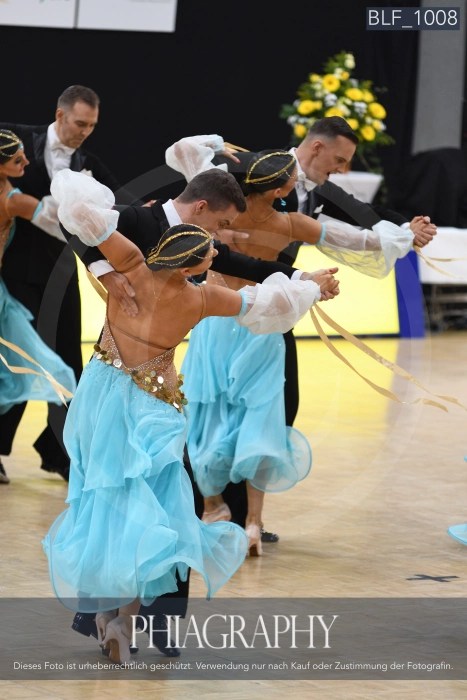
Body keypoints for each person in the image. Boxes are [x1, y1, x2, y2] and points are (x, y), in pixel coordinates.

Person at [43, 168, 334, 664]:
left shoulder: (131, 266)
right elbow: (267, 303)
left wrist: (106, 268)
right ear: (194, 260)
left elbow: (80, 211)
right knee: (154, 511)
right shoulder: (200, 298)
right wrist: (310, 287)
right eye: (212, 247)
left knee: (105, 500)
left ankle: (106, 614)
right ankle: (124, 621)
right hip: (151, 410)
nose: (219, 250)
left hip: (98, 399)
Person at [178, 149, 416, 552]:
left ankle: (213, 506)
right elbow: (360, 241)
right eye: (292, 182)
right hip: (261, 328)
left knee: (207, 415)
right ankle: (253, 523)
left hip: (216, 324)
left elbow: (185, 156)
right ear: (278, 191)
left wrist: (216, 145)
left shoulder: (222, 216)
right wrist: (406, 234)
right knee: (261, 420)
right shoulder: (289, 222)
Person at [165, 118, 437, 427]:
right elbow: (195, 187)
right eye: (339, 160)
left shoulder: (311, 200)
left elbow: (362, 216)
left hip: (265, 302)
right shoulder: (252, 168)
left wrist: (405, 230)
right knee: (225, 403)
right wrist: (213, 231)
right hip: (230, 303)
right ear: (317, 147)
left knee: (268, 402)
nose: (342, 169)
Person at [0, 85, 136, 481]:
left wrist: (150, 215)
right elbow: (50, 218)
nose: (85, 132)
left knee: (69, 363)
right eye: (80, 123)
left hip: (60, 275)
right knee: (19, 362)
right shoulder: (17, 139)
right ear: (60, 115)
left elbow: (122, 204)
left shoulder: (88, 163)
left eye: (92, 126)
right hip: (15, 274)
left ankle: (59, 452)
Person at [0, 131, 76, 483]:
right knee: (43, 371)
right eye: (18, 160)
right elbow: (59, 225)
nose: (27, 162)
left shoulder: (12, 197)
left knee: (28, 370)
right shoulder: (13, 200)